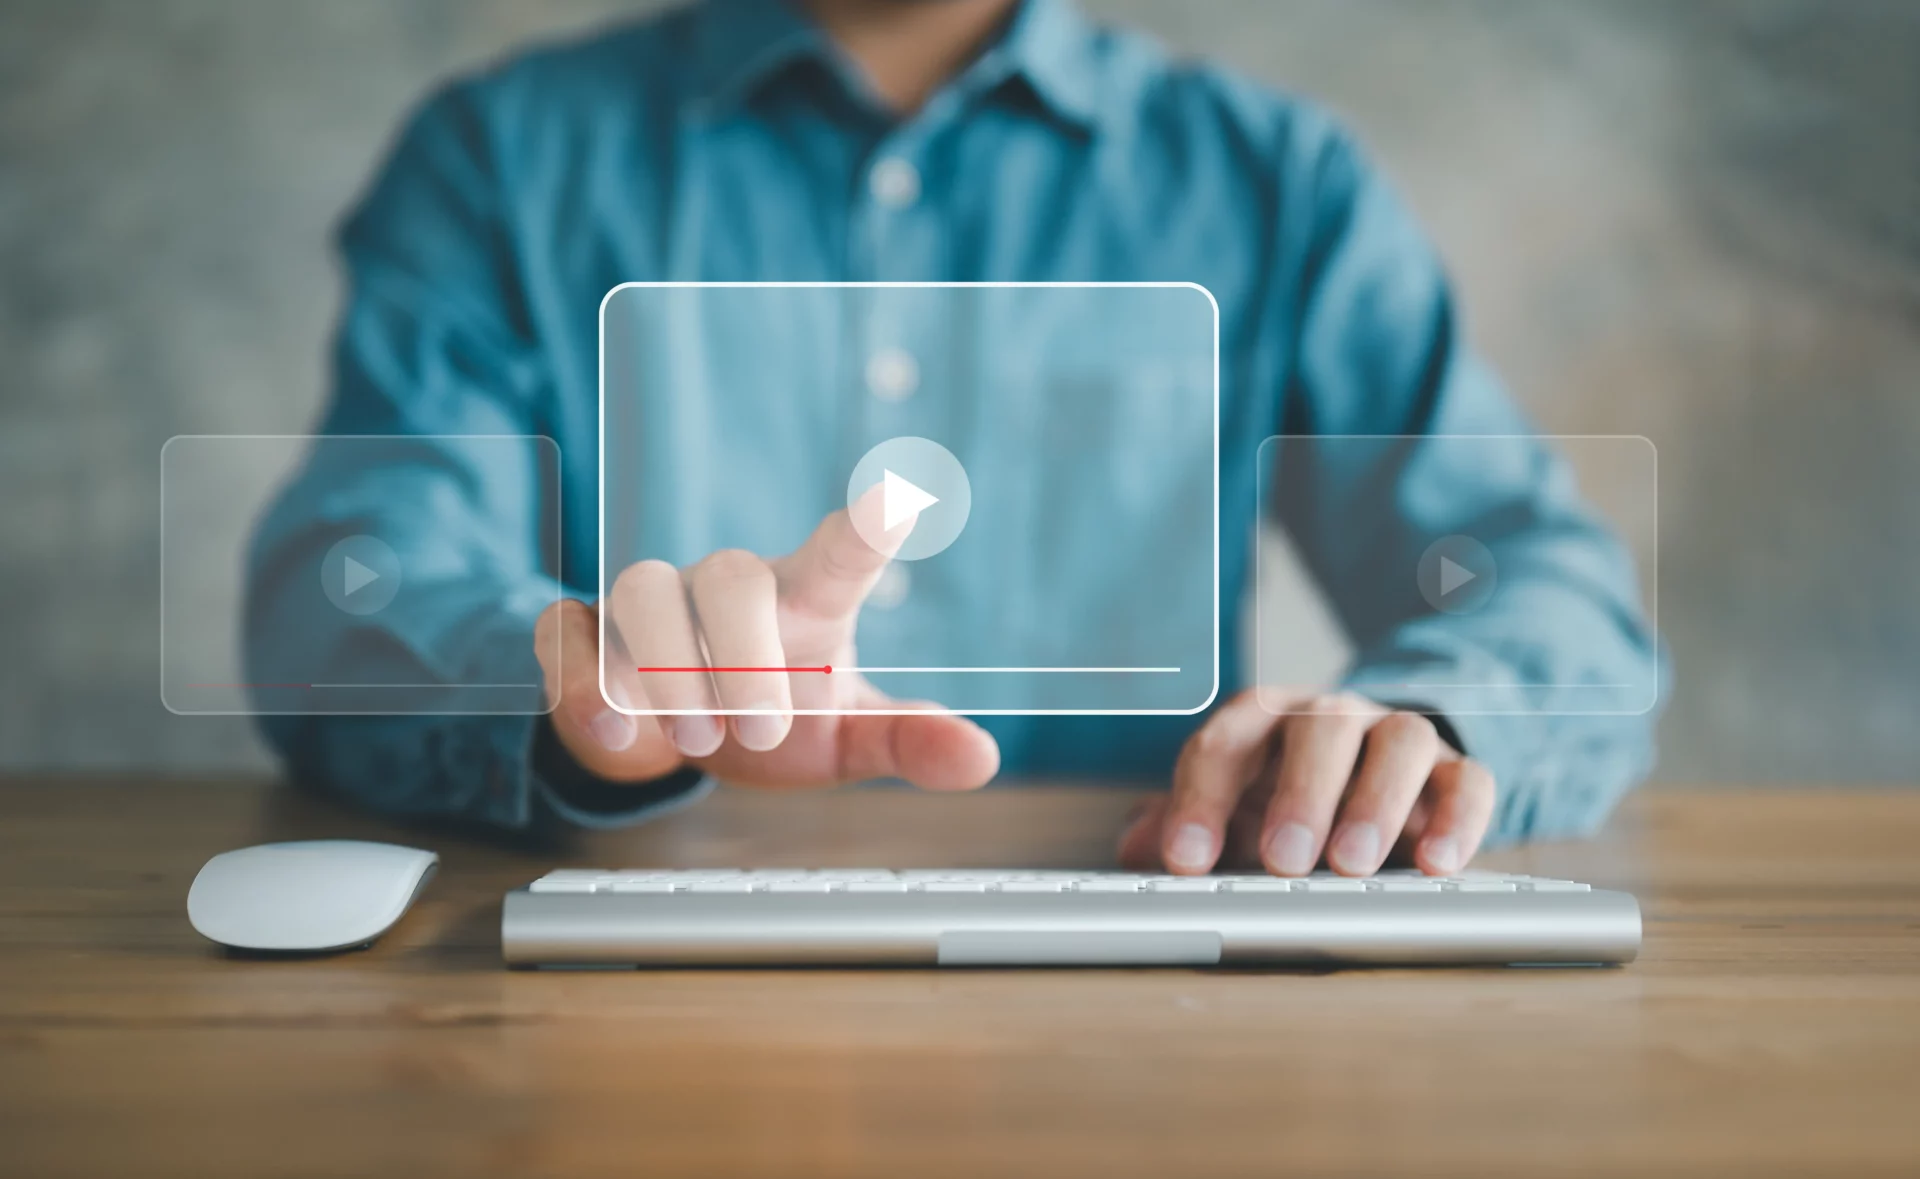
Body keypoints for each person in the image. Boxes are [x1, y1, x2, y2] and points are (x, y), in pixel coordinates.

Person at [246, 0, 1660, 877]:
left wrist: (1426, 728)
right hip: (626, 998)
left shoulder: (1275, 184)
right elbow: (347, 581)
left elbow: (1543, 589)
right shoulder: (501, 158)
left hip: (1141, 985)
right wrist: (567, 682)